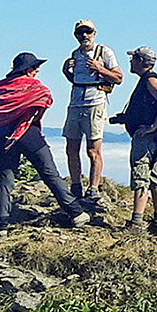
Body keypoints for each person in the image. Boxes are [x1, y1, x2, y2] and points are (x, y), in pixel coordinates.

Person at [0, 52, 91, 235]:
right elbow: (45, 98)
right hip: (30, 136)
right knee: (50, 174)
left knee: (5, 180)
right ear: (27, 69)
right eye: (35, 67)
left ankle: (0, 225)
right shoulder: (34, 87)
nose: (37, 70)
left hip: (4, 138)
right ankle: (76, 213)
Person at [61, 19, 123, 206]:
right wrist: (66, 71)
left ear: (94, 33)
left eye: (88, 31)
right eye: (81, 32)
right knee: (71, 148)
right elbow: (76, 79)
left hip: (95, 102)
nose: (84, 35)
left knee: (92, 150)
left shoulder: (104, 52)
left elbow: (119, 77)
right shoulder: (75, 54)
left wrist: (100, 68)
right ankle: (76, 185)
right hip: (76, 102)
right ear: (75, 35)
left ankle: (93, 188)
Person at [115, 46, 157, 236]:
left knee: (141, 178)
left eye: (133, 58)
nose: (130, 62)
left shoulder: (150, 80)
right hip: (152, 139)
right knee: (155, 178)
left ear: (141, 61)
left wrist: (152, 127)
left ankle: (137, 224)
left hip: (145, 138)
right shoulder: (149, 79)